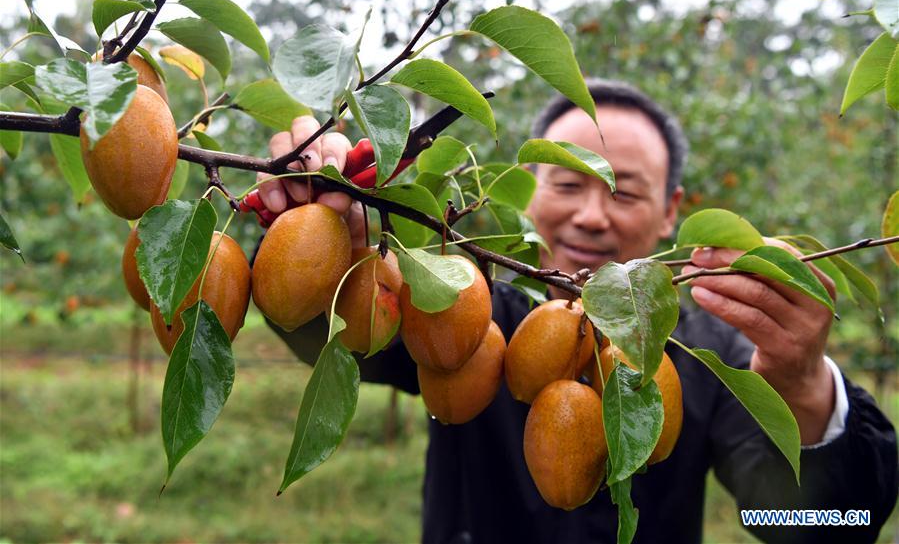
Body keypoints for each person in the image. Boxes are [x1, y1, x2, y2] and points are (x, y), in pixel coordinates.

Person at [255, 79, 898, 544]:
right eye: (567, 183)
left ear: (672, 212)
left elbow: (814, 524)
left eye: (622, 189)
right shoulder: (466, 305)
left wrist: (804, 387)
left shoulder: (712, 349)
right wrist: (326, 242)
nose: (591, 216)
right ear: (531, 192)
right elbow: (340, 337)